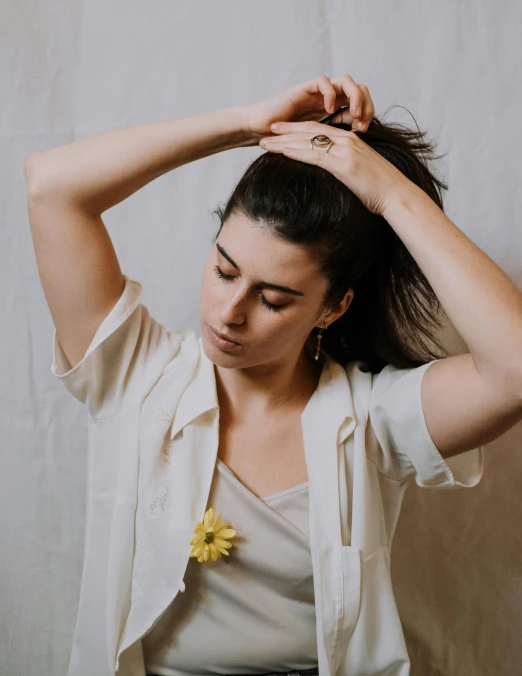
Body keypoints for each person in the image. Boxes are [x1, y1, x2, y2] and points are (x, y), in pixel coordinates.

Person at [24, 74, 521, 676]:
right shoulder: (135, 373)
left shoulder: (372, 417)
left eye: (275, 298)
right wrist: (249, 125)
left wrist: (391, 195)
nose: (229, 313)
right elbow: (51, 187)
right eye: (224, 270)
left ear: (333, 307)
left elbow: (514, 370)